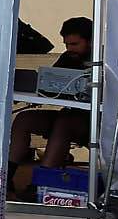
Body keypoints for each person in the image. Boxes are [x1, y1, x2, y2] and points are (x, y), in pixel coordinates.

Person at [9, 16, 94, 190]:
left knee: (64, 123)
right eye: (66, 44)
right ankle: (6, 179)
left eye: (74, 44)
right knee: (24, 119)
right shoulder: (68, 57)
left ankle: (41, 183)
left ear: (91, 41)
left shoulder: (104, 61)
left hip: (94, 122)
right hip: (69, 114)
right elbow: (49, 84)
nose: (69, 49)